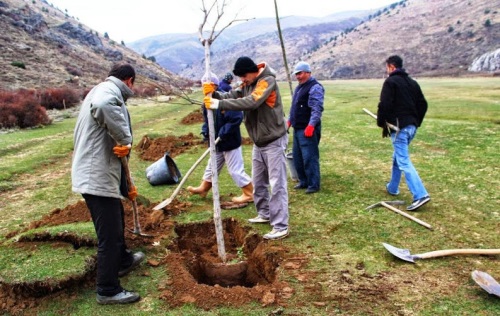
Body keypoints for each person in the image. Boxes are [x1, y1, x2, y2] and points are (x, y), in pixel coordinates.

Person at [72, 63, 145, 305]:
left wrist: (126, 187)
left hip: (101, 172)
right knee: (110, 236)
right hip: (96, 175)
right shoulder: (108, 93)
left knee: (117, 220)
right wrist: (126, 138)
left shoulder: (101, 88)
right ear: (129, 81)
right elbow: (104, 108)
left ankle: (123, 261)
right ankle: (107, 289)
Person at [203, 56, 289, 240]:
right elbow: (233, 95)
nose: (242, 80)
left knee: (277, 184)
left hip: (273, 140)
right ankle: (264, 214)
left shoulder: (267, 81)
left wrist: (220, 104)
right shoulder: (247, 84)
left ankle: (281, 226)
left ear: (252, 71)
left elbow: (252, 102)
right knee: (258, 182)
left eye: (244, 76)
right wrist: (215, 94)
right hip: (259, 141)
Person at [187, 73, 254, 203]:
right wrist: (205, 131)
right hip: (216, 143)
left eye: (207, 85)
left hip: (229, 142)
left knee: (235, 170)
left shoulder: (225, 99)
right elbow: (208, 121)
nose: (204, 88)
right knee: (211, 167)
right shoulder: (206, 101)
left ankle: (249, 193)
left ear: (215, 85)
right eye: (203, 86)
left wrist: (223, 133)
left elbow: (236, 118)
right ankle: (203, 188)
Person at [377, 55, 430, 211]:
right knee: (398, 157)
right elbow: (423, 104)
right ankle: (393, 187)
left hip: (399, 128)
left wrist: (381, 122)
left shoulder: (390, 82)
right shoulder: (412, 83)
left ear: (392, 67)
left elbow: (384, 104)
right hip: (411, 127)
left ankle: (420, 195)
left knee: (403, 160)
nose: (387, 70)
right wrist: (415, 121)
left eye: (387, 67)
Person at [287, 61, 324, 194]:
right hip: (298, 128)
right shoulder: (299, 87)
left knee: (310, 157)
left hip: (307, 129)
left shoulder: (315, 87)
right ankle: (303, 181)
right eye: (296, 74)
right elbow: (294, 107)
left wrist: (311, 125)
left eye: (300, 73)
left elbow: (316, 109)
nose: (298, 76)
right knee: (298, 157)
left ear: (308, 72)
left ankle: (313, 184)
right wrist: (289, 121)